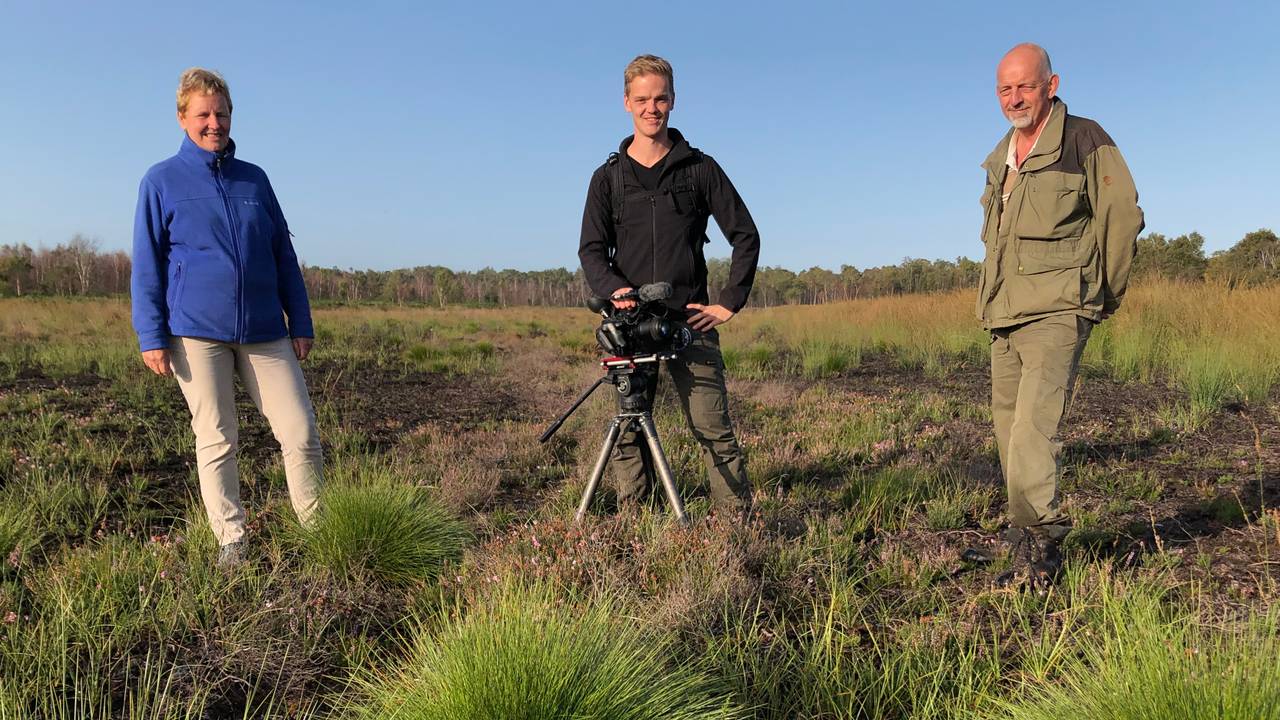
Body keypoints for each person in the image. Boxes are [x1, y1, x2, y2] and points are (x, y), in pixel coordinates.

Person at [131, 68, 323, 567]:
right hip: (196, 332)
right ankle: (232, 540)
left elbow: (283, 254)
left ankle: (318, 530)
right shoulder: (160, 181)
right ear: (182, 118)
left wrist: (300, 321)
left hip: (265, 329)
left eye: (221, 113)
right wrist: (151, 334)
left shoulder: (255, 179)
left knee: (300, 431)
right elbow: (147, 264)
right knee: (217, 436)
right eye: (203, 114)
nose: (213, 123)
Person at [974, 44, 1143, 589]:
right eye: (1005, 89)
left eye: (1025, 86)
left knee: (1033, 430)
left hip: (1058, 308)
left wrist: (1103, 293)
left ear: (1051, 85)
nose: (1014, 99)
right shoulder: (1000, 156)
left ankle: (1040, 546)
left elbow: (1121, 216)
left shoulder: (1084, 139)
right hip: (1005, 314)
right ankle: (1023, 534)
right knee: (1007, 429)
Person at [578, 54, 761, 517]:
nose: (651, 108)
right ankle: (637, 521)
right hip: (629, 325)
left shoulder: (700, 169)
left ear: (673, 101)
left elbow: (745, 236)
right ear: (626, 102)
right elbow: (592, 250)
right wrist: (616, 291)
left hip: (689, 323)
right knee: (629, 432)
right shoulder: (608, 179)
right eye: (642, 99)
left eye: (660, 98)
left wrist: (729, 302)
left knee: (713, 428)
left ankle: (735, 528)